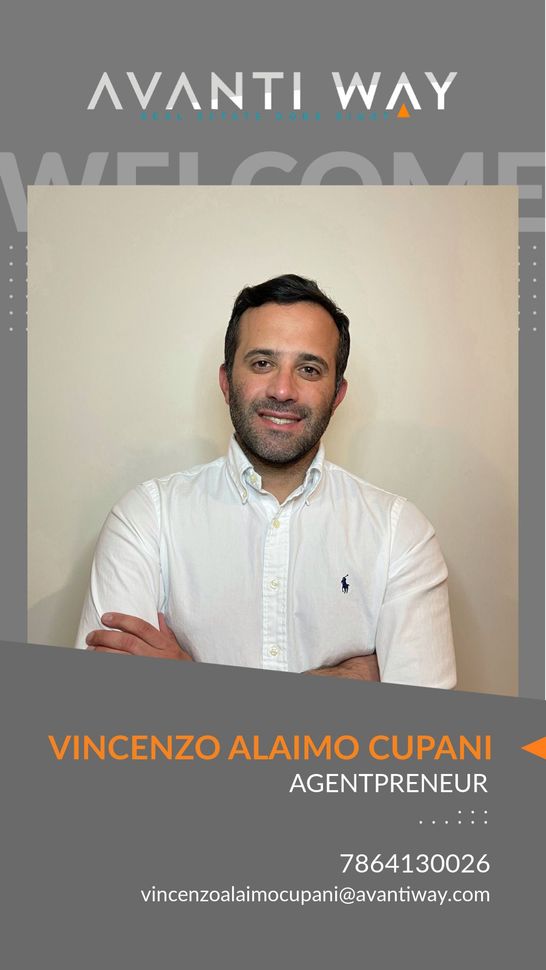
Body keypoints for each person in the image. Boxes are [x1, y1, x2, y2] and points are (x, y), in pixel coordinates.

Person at [76, 274, 456, 686]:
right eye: (262, 363)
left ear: (337, 394)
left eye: (309, 369)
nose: (282, 390)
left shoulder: (400, 534)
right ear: (226, 382)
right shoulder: (145, 520)